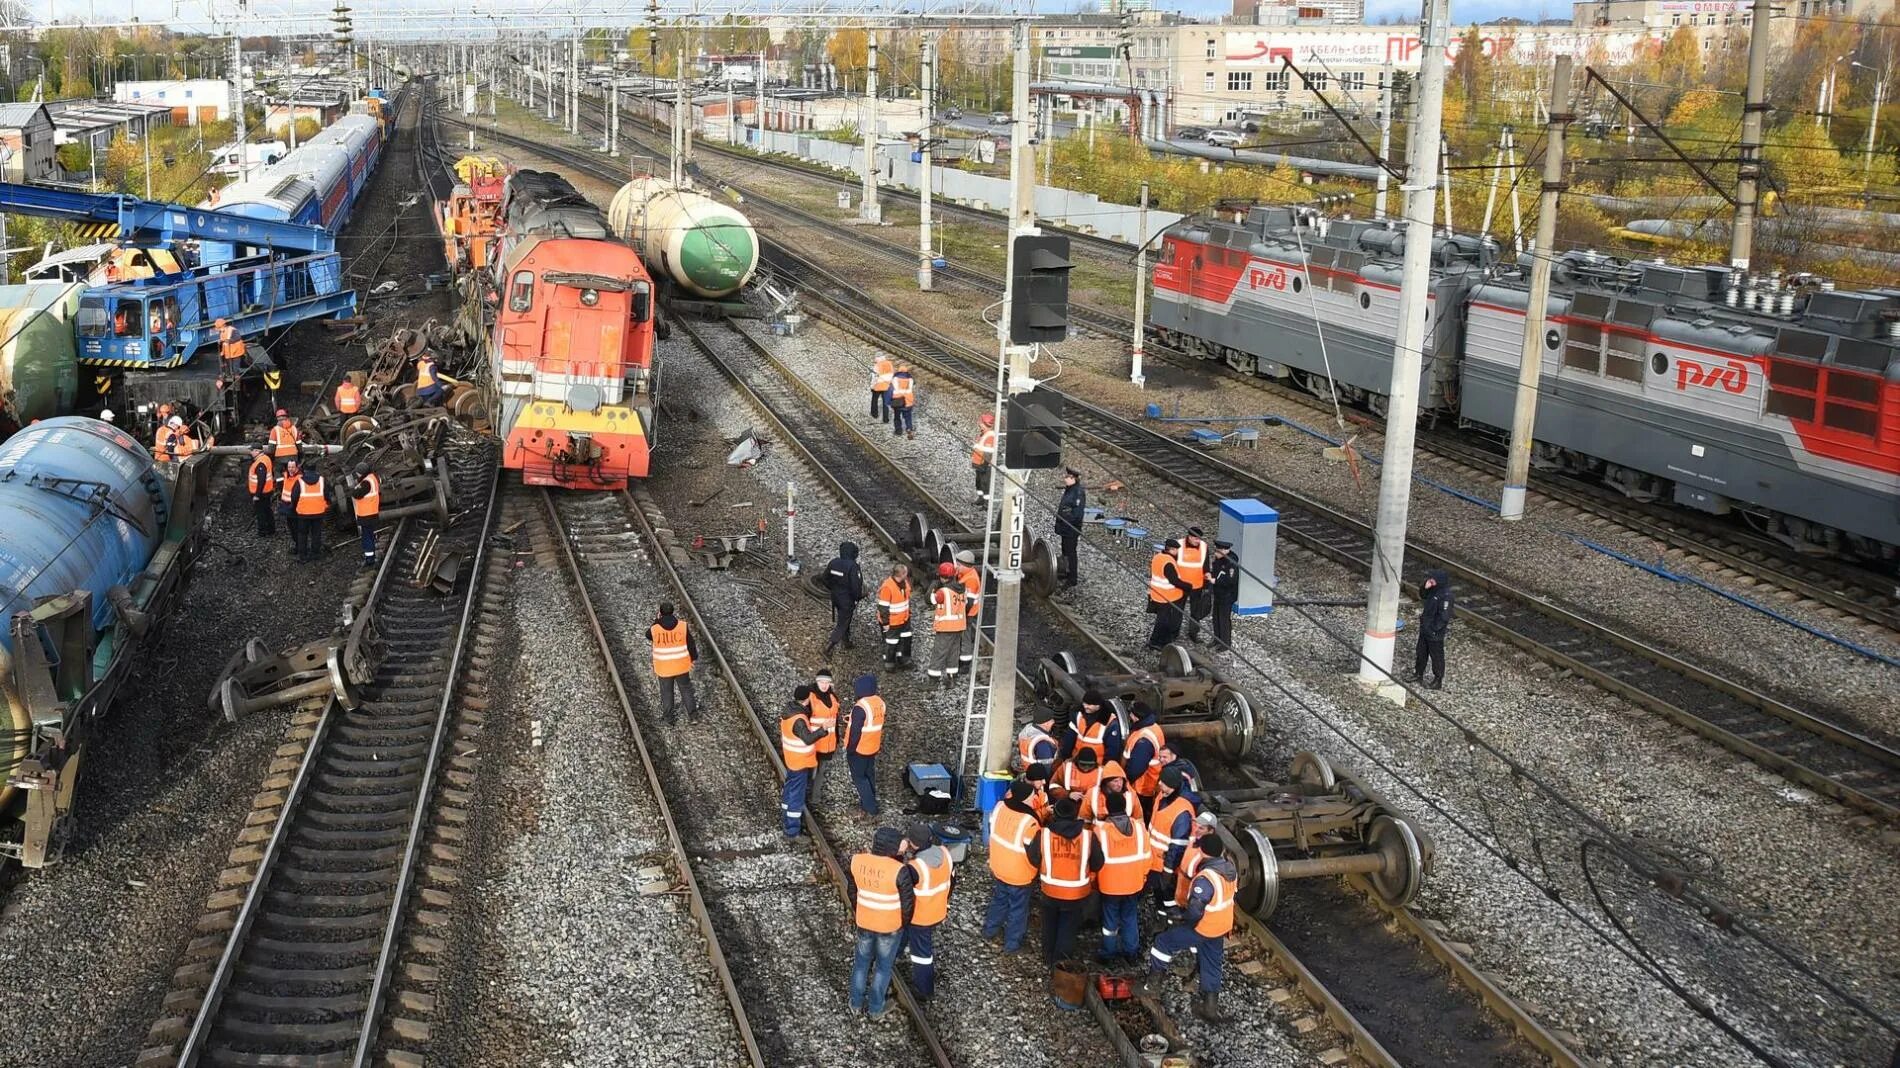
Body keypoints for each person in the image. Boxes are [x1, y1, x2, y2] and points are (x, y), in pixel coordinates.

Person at [1142, 834, 1238, 1021]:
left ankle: (1152, 985)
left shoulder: (1206, 879)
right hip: (1221, 926)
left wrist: (1182, 917)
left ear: (1202, 851)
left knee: (1163, 942)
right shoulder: (1229, 870)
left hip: (1204, 927)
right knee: (1212, 962)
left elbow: (1195, 911)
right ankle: (1210, 1008)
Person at [848, 826, 916, 1021]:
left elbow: (852, 891)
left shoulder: (858, 861)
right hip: (889, 926)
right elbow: (907, 904)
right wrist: (903, 924)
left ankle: (855, 1003)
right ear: (891, 848)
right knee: (883, 967)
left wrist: (860, 910)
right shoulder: (899, 870)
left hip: (865, 922)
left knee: (861, 963)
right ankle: (876, 1008)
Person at [1034, 797, 1101, 964]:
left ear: (1055, 815)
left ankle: (1048, 957)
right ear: (1075, 815)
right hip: (1076, 893)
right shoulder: (1088, 836)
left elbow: (1033, 858)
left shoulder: (1044, 834)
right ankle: (1061, 962)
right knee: (1068, 928)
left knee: (1049, 925)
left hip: (1049, 891)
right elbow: (1098, 862)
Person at [982, 779, 1042, 953]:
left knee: (999, 900)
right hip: (1020, 874)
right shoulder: (1030, 822)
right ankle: (1012, 944)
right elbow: (1035, 854)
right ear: (1024, 799)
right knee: (1018, 909)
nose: (1034, 800)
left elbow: (991, 829)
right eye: (1032, 797)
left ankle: (990, 930)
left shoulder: (1000, 807)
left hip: (999, 865)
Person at [1094, 800, 1151, 965]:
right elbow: (1148, 856)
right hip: (1134, 884)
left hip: (1109, 886)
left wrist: (1093, 881)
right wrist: (1143, 877)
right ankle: (1131, 952)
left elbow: (1095, 861)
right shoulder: (1140, 829)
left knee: (1110, 921)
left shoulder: (1101, 831)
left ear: (1107, 810)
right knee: (1130, 917)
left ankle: (1108, 953)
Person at [903, 822, 954, 1001]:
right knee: (905, 934)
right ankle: (897, 951)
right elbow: (952, 880)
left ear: (912, 843)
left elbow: (903, 889)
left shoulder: (916, 867)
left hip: (919, 917)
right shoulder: (946, 854)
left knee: (921, 954)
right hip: (938, 910)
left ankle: (924, 990)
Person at [1147, 765, 1197, 917]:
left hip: (1165, 866)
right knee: (1159, 894)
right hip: (1154, 861)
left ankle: (1170, 919)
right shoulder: (1162, 797)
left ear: (1174, 787)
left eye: (1164, 782)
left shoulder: (1182, 812)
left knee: (1168, 896)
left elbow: (1178, 846)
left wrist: (1168, 872)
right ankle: (1162, 915)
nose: (1160, 784)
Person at [780, 685, 828, 837]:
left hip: (792, 759)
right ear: (807, 699)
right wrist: (823, 730)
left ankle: (785, 814)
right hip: (800, 762)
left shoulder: (790, 710)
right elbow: (807, 739)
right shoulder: (799, 719)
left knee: (790, 788)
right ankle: (792, 830)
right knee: (797, 795)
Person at [647, 602, 698, 724]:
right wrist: (693, 658)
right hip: (681, 665)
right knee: (686, 689)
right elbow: (691, 644)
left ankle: (669, 718)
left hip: (664, 667)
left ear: (660, 613)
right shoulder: (682, 626)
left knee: (667, 692)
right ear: (672, 612)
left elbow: (648, 635)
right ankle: (693, 716)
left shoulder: (655, 629)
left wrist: (657, 620)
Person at [841, 674, 885, 816]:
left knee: (859, 778)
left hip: (860, 749)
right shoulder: (879, 702)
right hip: (873, 746)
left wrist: (850, 750)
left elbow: (855, 732)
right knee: (869, 774)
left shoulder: (861, 707)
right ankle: (871, 799)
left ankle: (870, 807)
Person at [925, 562, 966, 686]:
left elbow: (929, 600)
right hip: (959, 626)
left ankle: (933, 681)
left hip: (946, 627)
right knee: (954, 652)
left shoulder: (943, 592)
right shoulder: (962, 588)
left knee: (939, 653)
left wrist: (933, 585)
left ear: (942, 577)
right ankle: (951, 679)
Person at [822, 541, 865, 659]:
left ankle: (846, 641)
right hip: (847, 600)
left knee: (844, 618)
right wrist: (858, 596)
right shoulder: (853, 566)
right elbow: (856, 587)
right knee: (842, 623)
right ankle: (829, 647)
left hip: (835, 597)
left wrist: (833, 588)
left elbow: (824, 578)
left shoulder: (834, 562)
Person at [1122, 703, 1168, 811]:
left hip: (1142, 787)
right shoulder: (1154, 727)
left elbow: (1136, 769)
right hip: (1152, 782)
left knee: (1140, 813)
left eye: (1131, 715)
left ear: (1136, 717)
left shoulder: (1144, 740)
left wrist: (1125, 781)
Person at [806, 669, 841, 805]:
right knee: (810, 772)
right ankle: (804, 797)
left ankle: (814, 799)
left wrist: (837, 738)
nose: (825, 685)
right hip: (813, 742)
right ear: (817, 681)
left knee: (820, 772)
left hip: (828, 744)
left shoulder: (833, 697)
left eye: (827, 682)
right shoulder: (810, 697)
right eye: (822, 682)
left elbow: (835, 721)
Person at [1414, 569, 1454, 689]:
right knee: (1421, 652)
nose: (1431, 581)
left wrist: (1434, 629)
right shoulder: (1433, 590)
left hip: (1434, 632)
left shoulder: (1446, 596)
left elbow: (1444, 616)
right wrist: (1425, 587)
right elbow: (1423, 596)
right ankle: (1418, 673)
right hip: (1425, 627)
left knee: (1436, 656)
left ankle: (1437, 680)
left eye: (1433, 579)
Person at [1146, 538, 1188, 650]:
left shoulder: (1158, 557)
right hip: (1166, 596)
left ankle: (1159, 641)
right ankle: (1156, 642)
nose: (1177, 553)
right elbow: (1174, 580)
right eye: (1176, 550)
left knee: (1162, 619)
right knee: (1163, 621)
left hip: (1156, 594)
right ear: (1172, 550)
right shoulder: (1168, 562)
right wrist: (1188, 586)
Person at [1175, 527, 1211, 644]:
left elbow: (1206, 566)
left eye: (1199, 539)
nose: (1198, 541)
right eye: (1196, 539)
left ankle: (1193, 633)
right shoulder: (1179, 545)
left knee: (1195, 611)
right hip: (1181, 585)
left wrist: (1206, 584)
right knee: (1178, 609)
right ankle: (1174, 632)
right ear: (1189, 537)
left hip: (1197, 585)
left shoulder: (1204, 546)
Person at [875, 563, 914, 669]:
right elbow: (883, 607)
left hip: (904, 619)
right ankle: (889, 663)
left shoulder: (903, 583)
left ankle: (904, 659)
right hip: (893, 621)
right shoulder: (888, 587)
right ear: (903, 574)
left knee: (906, 639)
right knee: (891, 642)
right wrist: (886, 623)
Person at [1069, 690, 1121, 767]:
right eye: (1084, 703)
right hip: (1077, 762)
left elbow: (1112, 750)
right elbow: (1070, 737)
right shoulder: (1078, 715)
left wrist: (1106, 766)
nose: (1085, 706)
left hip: (1096, 766)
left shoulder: (1110, 723)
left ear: (1098, 705)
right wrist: (1065, 756)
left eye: (1089, 704)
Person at [290, 464, 328, 563]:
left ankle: (303, 556)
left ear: (304, 471)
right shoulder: (322, 480)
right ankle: (315, 554)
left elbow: (294, 497)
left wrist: (294, 508)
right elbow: (327, 495)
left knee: (302, 534)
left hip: (303, 513)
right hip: (318, 512)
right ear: (315, 470)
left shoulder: (300, 481)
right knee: (316, 533)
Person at [1055, 468, 1085, 589]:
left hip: (1071, 528)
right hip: (1065, 528)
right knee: (1065, 550)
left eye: (1068, 477)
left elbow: (1077, 514)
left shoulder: (1078, 493)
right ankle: (1066, 571)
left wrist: (1066, 520)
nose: (1065, 479)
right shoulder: (1070, 490)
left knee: (1071, 552)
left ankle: (1072, 577)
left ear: (1074, 479)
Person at [1208, 540, 1240, 651]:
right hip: (1218, 594)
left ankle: (1225, 643)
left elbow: (1230, 580)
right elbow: (1215, 571)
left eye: (1217, 550)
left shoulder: (1231, 563)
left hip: (1227, 596)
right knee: (1216, 618)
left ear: (1223, 551)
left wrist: (1214, 581)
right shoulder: (1219, 559)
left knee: (1224, 619)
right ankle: (1217, 639)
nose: (1215, 553)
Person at [953, 550, 982, 673]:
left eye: (959, 565)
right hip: (965, 612)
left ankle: (964, 664)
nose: (956, 567)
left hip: (967, 613)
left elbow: (968, 602)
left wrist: (961, 615)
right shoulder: (967, 574)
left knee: (965, 636)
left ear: (965, 565)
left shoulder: (970, 579)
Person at [349, 462, 381, 568]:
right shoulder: (372, 477)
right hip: (372, 512)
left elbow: (356, 494)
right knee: (370, 535)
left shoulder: (366, 483)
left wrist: (354, 488)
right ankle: (370, 556)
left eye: (358, 474)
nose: (357, 475)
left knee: (367, 537)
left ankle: (369, 559)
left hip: (366, 514)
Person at [246, 444, 276, 537]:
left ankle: (262, 531)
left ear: (257, 451)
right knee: (267, 510)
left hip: (261, 493)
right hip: (267, 490)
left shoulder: (260, 463)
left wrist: (257, 495)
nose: (250, 452)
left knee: (260, 512)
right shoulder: (266, 458)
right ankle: (271, 529)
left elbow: (261, 480)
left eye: (252, 450)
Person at [969, 411, 997, 502]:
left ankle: (986, 504)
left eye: (981, 422)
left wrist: (984, 466)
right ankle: (980, 499)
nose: (979, 424)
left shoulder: (990, 436)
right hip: (979, 464)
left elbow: (988, 453)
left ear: (985, 424)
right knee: (979, 483)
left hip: (984, 466)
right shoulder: (984, 434)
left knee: (985, 485)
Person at [268, 409, 302, 474]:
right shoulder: (294, 428)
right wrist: (300, 455)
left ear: (277, 418)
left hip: (280, 457)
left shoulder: (275, 430)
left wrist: (271, 457)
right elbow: (299, 444)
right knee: (293, 473)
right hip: (293, 456)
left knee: (278, 472)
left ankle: (280, 483)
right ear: (286, 417)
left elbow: (271, 448)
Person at [889, 363, 916, 440]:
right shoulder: (910, 379)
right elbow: (911, 388)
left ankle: (898, 430)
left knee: (897, 417)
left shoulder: (895, 379)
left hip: (898, 400)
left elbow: (891, 389)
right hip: (908, 401)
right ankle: (909, 429)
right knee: (908, 416)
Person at [869, 354, 894, 422]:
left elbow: (874, 377)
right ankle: (886, 419)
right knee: (885, 403)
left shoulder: (877, 365)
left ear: (877, 358)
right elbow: (891, 374)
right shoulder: (889, 364)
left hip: (878, 386)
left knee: (874, 400)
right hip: (886, 386)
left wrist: (872, 386)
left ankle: (874, 414)